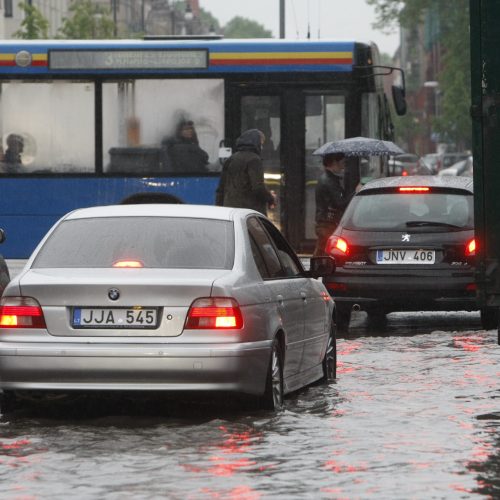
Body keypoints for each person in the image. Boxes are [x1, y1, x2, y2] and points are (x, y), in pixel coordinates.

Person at [215, 129, 275, 215]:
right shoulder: (254, 160)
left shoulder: (231, 158)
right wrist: (270, 198)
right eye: (261, 144)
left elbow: (221, 188)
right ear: (256, 142)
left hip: (230, 210)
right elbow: (258, 187)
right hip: (249, 211)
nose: (261, 147)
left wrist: (220, 209)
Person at [313, 152, 361, 256]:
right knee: (323, 255)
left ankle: (317, 270)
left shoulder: (330, 179)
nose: (343, 166)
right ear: (334, 163)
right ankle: (316, 271)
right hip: (327, 224)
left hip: (327, 223)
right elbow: (340, 203)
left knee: (322, 254)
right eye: (342, 162)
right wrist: (356, 192)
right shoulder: (329, 181)